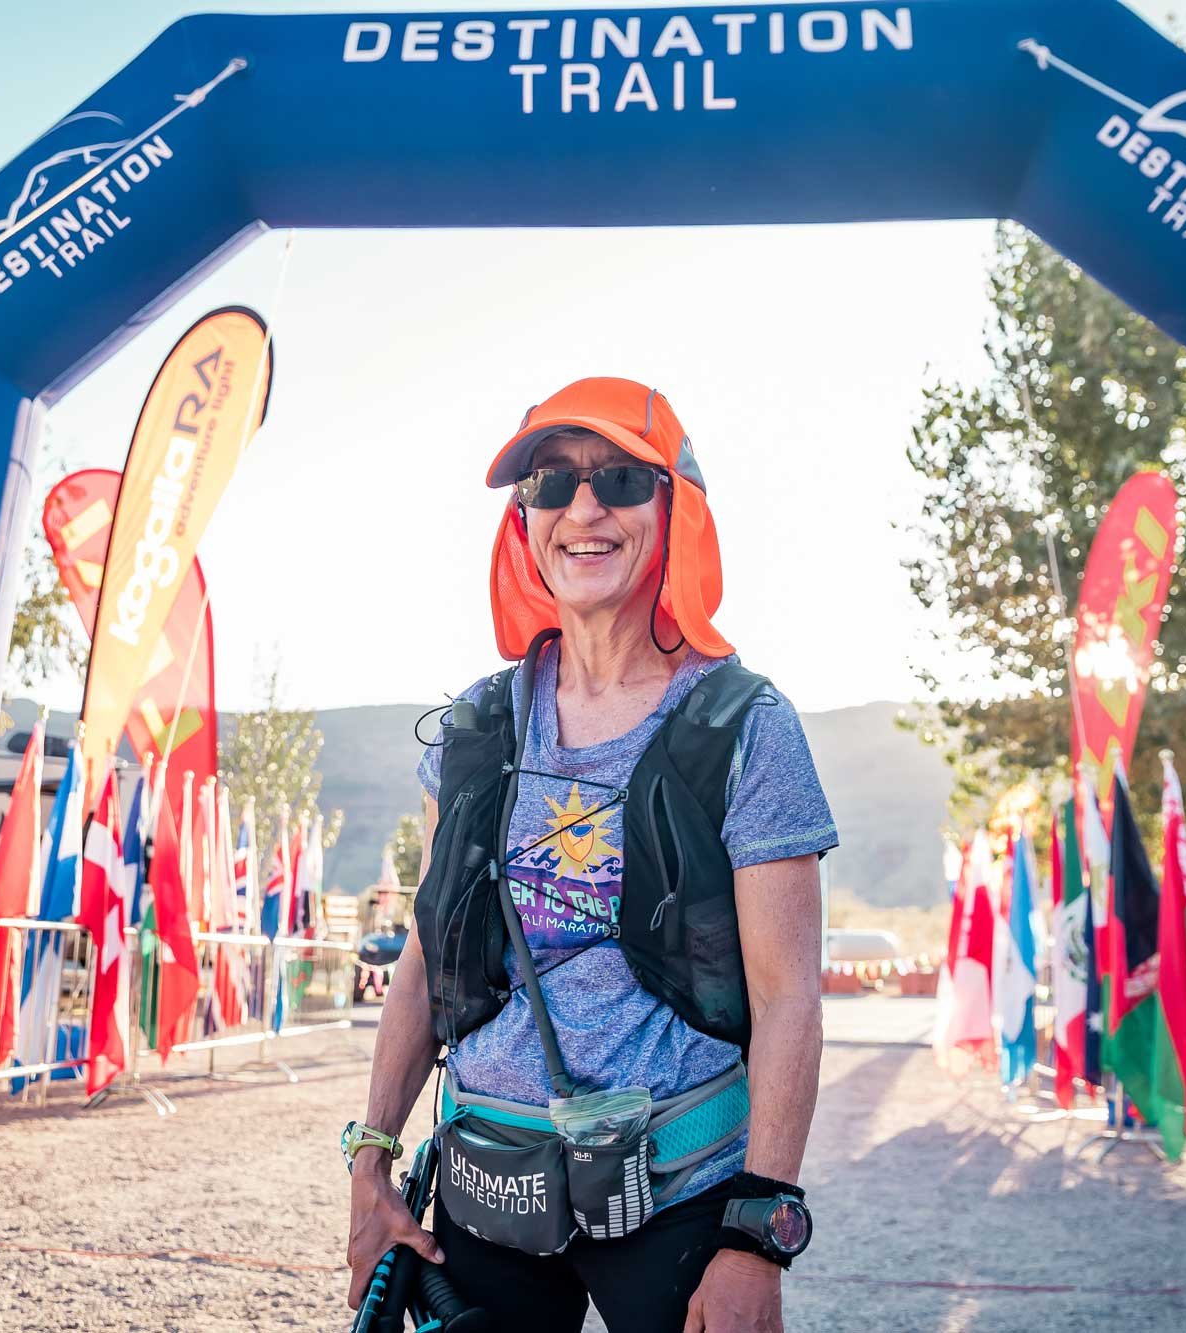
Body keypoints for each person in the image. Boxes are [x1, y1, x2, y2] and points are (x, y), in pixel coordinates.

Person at [343, 378, 836, 1333]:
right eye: (548, 484)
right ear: (524, 520)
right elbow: (424, 960)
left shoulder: (745, 727)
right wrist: (372, 1157)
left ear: (676, 510)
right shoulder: (479, 726)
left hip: (679, 1196)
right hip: (486, 1194)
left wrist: (758, 1235)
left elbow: (790, 999)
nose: (583, 509)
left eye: (617, 478)